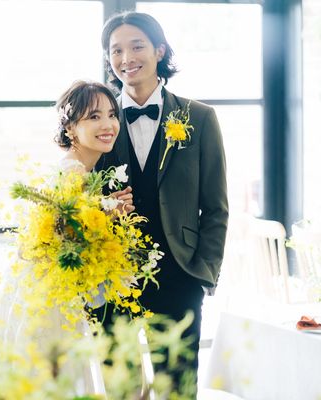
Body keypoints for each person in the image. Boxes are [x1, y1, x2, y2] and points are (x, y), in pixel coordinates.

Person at [92, 11, 229, 396]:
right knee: (121, 390)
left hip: (178, 276)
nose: (126, 58)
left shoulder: (199, 118)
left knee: (177, 389)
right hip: (111, 278)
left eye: (136, 46)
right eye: (116, 50)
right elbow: (77, 191)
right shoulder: (96, 119)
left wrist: (203, 272)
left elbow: (216, 207)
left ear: (159, 50)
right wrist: (100, 206)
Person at [0, 80, 133, 397]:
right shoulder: (73, 172)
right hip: (51, 294)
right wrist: (107, 215)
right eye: (94, 117)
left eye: (111, 115)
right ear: (70, 128)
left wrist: (105, 211)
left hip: (53, 289)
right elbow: (57, 241)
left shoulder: (79, 169)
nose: (108, 125)